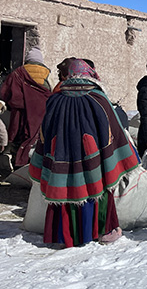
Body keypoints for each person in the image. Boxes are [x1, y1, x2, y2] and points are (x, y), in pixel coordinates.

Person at [28, 59, 140, 247]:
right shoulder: (98, 98)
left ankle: (64, 235)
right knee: (97, 190)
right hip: (92, 159)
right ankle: (103, 232)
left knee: (63, 191)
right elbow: (113, 130)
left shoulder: (55, 99)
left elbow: (44, 131)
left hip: (61, 157)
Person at [0, 47, 53, 174]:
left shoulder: (18, 72)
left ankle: (17, 168)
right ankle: (32, 168)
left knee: (18, 140)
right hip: (39, 114)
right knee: (35, 139)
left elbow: (5, 92)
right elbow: (50, 91)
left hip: (19, 115)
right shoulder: (47, 73)